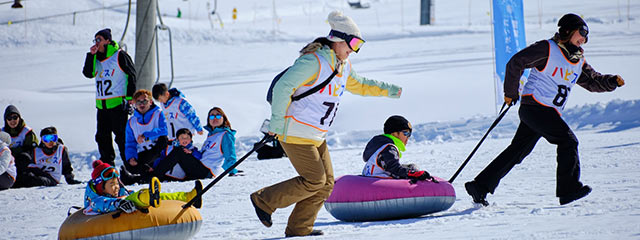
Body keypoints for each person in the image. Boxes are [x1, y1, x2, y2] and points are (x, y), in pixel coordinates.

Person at [250, 11, 402, 237]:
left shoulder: (343, 66)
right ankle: (264, 200)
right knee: (314, 180)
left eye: (358, 45)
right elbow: (284, 87)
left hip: (316, 136)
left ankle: (300, 228)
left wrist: (389, 90)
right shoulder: (315, 61)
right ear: (337, 39)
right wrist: (277, 123)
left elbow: (360, 85)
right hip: (294, 132)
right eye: (352, 43)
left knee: (327, 184)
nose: (354, 50)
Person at [465, 13, 626, 206]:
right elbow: (516, 63)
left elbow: (592, 81)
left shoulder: (578, 60)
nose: (584, 38)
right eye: (582, 32)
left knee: (517, 152)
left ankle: (480, 186)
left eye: (587, 35)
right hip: (535, 108)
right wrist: (511, 92)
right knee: (568, 141)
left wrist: (610, 82)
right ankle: (568, 189)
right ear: (568, 30)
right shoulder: (547, 48)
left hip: (545, 112)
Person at [82, 28, 137, 167]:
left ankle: (129, 164)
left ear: (108, 41)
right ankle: (107, 165)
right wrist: (90, 55)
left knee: (121, 137)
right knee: (102, 137)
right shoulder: (96, 58)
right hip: (102, 105)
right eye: (95, 40)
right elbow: (88, 73)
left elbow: (132, 74)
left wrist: (130, 96)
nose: (97, 43)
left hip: (118, 104)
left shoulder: (119, 55)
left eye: (99, 39)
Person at [84, 160, 202, 215]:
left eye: (116, 184)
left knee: (162, 196)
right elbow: (101, 204)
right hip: (117, 207)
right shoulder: (94, 201)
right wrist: (118, 203)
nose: (115, 187)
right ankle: (147, 196)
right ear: (101, 187)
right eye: (111, 185)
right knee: (133, 199)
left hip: (127, 200)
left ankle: (189, 197)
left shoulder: (120, 191)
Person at [362, 116, 435, 182]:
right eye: (406, 133)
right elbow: (394, 168)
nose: (408, 137)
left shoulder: (380, 147)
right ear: (394, 133)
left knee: (411, 167)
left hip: (371, 179)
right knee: (413, 169)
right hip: (380, 183)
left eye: (409, 135)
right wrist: (413, 174)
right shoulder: (389, 148)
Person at [122, 89, 168, 184]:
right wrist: (131, 157)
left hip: (158, 151)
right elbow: (130, 142)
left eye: (144, 101)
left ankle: (137, 176)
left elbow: (164, 130)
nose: (141, 104)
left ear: (150, 102)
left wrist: (146, 135)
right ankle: (143, 174)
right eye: (138, 102)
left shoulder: (158, 114)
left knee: (163, 140)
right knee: (129, 163)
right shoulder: (131, 122)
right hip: (143, 154)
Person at [13, 127, 81, 188]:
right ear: (42, 140)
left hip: (52, 178)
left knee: (36, 180)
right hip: (37, 172)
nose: (50, 142)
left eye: (53, 138)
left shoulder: (61, 150)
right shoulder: (36, 151)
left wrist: (70, 179)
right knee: (24, 174)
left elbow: (66, 166)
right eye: (46, 139)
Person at [2, 105, 38, 182]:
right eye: (9, 118)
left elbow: (32, 149)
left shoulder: (26, 132)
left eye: (15, 117)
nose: (12, 121)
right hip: (7, 162)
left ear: (19, 118)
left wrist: (14, 152)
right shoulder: (2, 133)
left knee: (24, 157)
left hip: (23, 163)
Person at [200, 107, 239, 177]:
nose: (215, 118)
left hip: (208, 170)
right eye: (212, 116)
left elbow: (229, 154)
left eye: (218, 115)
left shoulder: (225, 134)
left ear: (223, 118)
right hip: (200, 166)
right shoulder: (211, 135)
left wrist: (231, 170)